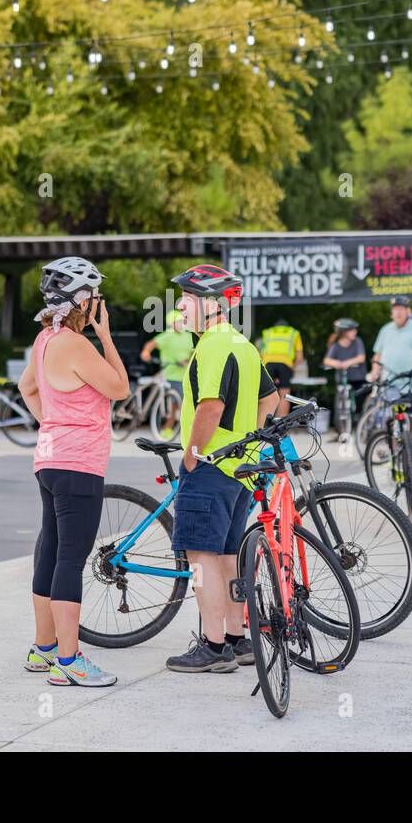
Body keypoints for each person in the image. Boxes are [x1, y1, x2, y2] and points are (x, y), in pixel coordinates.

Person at [17, 257, 128, 687]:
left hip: (49, 461)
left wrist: (51, 423)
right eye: (95, 296)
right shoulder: (79, 346)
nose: (99, 302)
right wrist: (106, 336)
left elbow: (27, 387)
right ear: (83, 300)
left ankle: (43, 648)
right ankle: (68, 660)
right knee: (70, 559)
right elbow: (121, 388)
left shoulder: (44, 339)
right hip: (79, 464)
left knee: (50, 551)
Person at [166, 265, 278, 673]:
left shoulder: (212, 346)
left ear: (211, 304)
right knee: (228, 555)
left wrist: (193, 453)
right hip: (241, 468)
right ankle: (236, 638)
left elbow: (210, 406)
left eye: (188, 297)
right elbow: (271, 398)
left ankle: (213, 647)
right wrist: (250, 436)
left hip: (211, 466)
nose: (180, 304)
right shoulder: (243, 344)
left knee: (200, 556)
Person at [369, 296, 412, 446]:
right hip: (390, 380)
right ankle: (395, 450)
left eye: (400, 309)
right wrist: (374, 370)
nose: (397, 313)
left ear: (408, 311)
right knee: (392, 416)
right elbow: (377, 354)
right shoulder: (385, 329)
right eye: (395, 310)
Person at [140, 309, 192, 432]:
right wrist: (146, 352)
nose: (180, 324)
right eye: (177, 321)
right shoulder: (167, 335)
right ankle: (168, 428)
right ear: (171, 323)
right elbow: (150, 345)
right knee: (176, 403)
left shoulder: (189, 336)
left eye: (182, 321)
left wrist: (187, 361)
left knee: (184, 403)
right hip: (171, 375)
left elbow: (193, 352)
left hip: (186, 375)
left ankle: (180, 428)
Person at [322, 317, 369, 421]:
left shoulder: (357, 342)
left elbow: (361, 357)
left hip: (358, 378)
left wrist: (346, 363)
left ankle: (359, 419)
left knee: (360, 400)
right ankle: (340, 422)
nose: (355, 332)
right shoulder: (336, 345)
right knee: (340, 400)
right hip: (343, 379)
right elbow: (326, 360)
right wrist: (337, 363)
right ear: (344, 332)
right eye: (352, 330)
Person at [258, 318, 303, 414]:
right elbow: (299, 358)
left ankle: (263, 425)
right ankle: (281, 425)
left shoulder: (268, 333)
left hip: (268, 364)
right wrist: (292, 367)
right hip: (285, 364)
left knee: (266, 395)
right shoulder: (293, 333)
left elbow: (260, 354)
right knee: (284, 396)